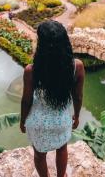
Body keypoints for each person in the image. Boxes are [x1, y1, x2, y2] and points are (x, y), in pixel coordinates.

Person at [20, 21, 85, 177]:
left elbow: (26, 101)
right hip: (61, 121)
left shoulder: (32, 70)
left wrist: (22, 121)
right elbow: (78, 96)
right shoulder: (77, 66)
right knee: (62, 149)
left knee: (39, 154)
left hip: (38, 123)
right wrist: (76, 116)